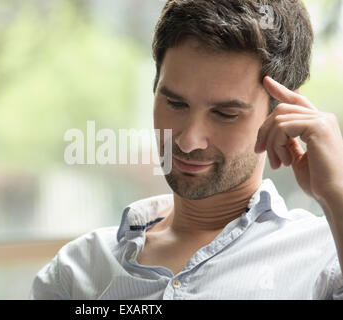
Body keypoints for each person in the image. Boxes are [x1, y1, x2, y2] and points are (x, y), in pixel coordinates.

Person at [30, 0, 343, 299]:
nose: (188, 141)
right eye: (175, 103)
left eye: (225, 114)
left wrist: (336, 193)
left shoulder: (325, 259)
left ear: (283, 111)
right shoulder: (79, 270)